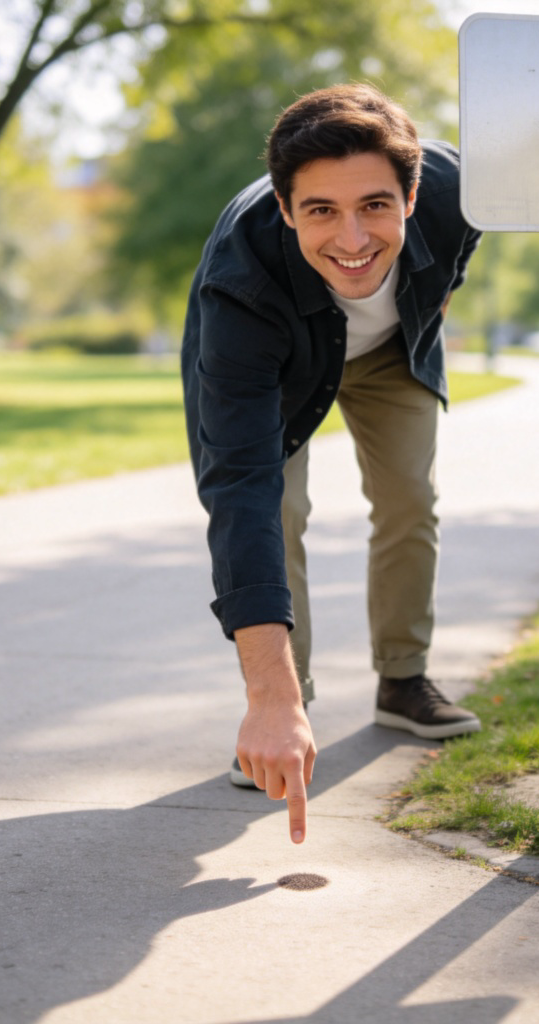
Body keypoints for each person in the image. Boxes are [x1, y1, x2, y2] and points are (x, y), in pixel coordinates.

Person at [181, 84, 482, 846]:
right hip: (281, 356)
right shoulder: (239, 284)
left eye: (376, 206)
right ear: (285, 208)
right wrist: (267, 693)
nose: (352, 237)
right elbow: (239, 491)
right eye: (320, 211)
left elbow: (460, 252)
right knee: (278, 511)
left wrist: (429, 307)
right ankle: (288, 709)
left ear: (413, 195)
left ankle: (404, 679)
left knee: (411, 498)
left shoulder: (459, 189)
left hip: (390, 354)